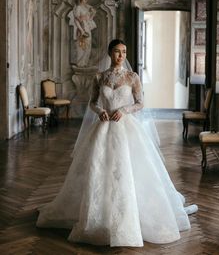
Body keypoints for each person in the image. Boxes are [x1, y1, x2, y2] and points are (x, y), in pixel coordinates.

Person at [36, 39, 197, 247]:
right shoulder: (99, 77)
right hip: (104, 127)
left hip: (125, 126)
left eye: (124, 52)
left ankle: (127, 218)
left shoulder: (132, 77)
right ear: (109, 53)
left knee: (128, 170)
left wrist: (124, 110)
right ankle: (97, 216)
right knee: (98, 169)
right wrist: (100, 111)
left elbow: (140, 103)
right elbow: (93, 102)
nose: (121, 56)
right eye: (117, 52)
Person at [69, 0, 97, 67]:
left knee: (88, 45)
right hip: (82, 28)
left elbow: (90, 19)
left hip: (87, 27)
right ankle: (80, 63)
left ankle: (85, 62)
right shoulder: (78, 7)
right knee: (82, 46)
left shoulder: (86, 8)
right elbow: (77, 19)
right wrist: (81, 30)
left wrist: (93, 13)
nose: (86, 1)